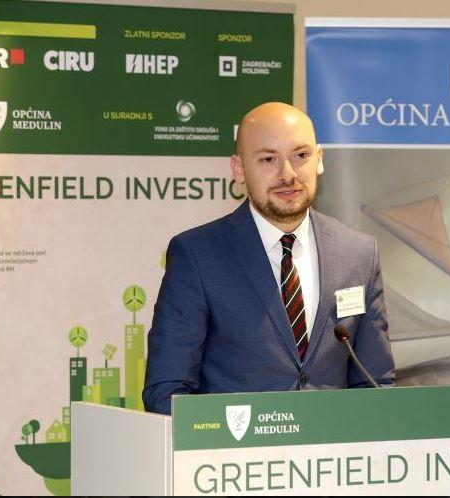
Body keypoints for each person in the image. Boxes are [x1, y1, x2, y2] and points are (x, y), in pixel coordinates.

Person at [143, 102, 394, 415]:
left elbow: (376, 385)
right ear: (239, 169)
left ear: (319, 159)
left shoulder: (359, 254)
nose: (287, 174)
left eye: (300, 155)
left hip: (333, 445)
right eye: (268, 159)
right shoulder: (197, 256)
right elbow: (167, 394)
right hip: (235, 445)